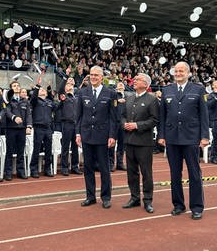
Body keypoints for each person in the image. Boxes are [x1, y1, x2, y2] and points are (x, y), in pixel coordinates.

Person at [158, 61, 209, 220]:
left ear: (188, 73)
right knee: (175, 174)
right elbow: (162, 116)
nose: (178, 73)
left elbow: (204, 115)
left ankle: (197, 207)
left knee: (194, 173)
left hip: (191, 137)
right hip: (172, 137)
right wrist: (161, 135)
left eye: (181, 71)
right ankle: (178, 205)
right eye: (176, 71)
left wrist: (205, 136)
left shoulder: (198, 89)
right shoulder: (167, 90)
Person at [76, 65, 118, 209]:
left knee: (104, 168)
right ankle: (90, 196)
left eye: (96, 75)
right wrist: (78, 133)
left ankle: (106, 197)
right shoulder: (82, 92)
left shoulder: (110, 93)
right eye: (91, 75)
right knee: (88, 168)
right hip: (87, 135)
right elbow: (79, 116)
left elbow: (113, 117)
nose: (93, 77)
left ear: (102, 77)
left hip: (102, 136)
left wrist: (112, 135)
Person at [121, 73, 159, 213]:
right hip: (129, 141)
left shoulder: (152, 99)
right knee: (131, 172)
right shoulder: (129, 98)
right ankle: (134, 198)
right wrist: (124, 124)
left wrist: (137, 125)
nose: (134, 81)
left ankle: (148, 200)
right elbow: (123, 116)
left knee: (146, 173)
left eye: (138, 80)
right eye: (135, 79)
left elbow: (154, 120)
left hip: (144, 143)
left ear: (146, 84)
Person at [4, 80, 32, 180]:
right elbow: (6, 112)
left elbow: (28, 114)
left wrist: (28, 126)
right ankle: (8, 172)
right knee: (9, 152)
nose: (16, 87)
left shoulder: (25, 101)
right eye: (14, 86)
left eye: (18, 85)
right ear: (11, 88)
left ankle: (21, 172)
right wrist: (14, 117)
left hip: (21, 130)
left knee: (21, 152)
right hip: (11, 129)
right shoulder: (8, 100)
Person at [58, 66, 82, 176]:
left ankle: (75, 166)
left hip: (76, 124)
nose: (70, 85)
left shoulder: (77, 97)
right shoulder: (64, 97)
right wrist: (66, 76)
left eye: (72, 84)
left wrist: (80, 75)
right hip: (66, 124)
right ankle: (64, 167)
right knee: (65, 146)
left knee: (75, 147)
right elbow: (60, 89)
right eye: (69, 84)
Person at [29, 75, 55, 178]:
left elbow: (55, 104)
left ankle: (47, 169)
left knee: (48, 150)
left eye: (44, 90)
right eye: (41, 90)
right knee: (37, 148)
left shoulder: (49, 102)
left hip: (48, 128)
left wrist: (49, 89)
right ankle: (33, 169)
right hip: (39, 127)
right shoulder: (35, 101)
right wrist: (38, 86)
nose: (42, 91)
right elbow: (34, 97)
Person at [207, 80, 217, 163]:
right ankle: (213, 157)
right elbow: (208, 106)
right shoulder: (211, 95)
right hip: (214, 120)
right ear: (213, 86)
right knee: (216, 139)